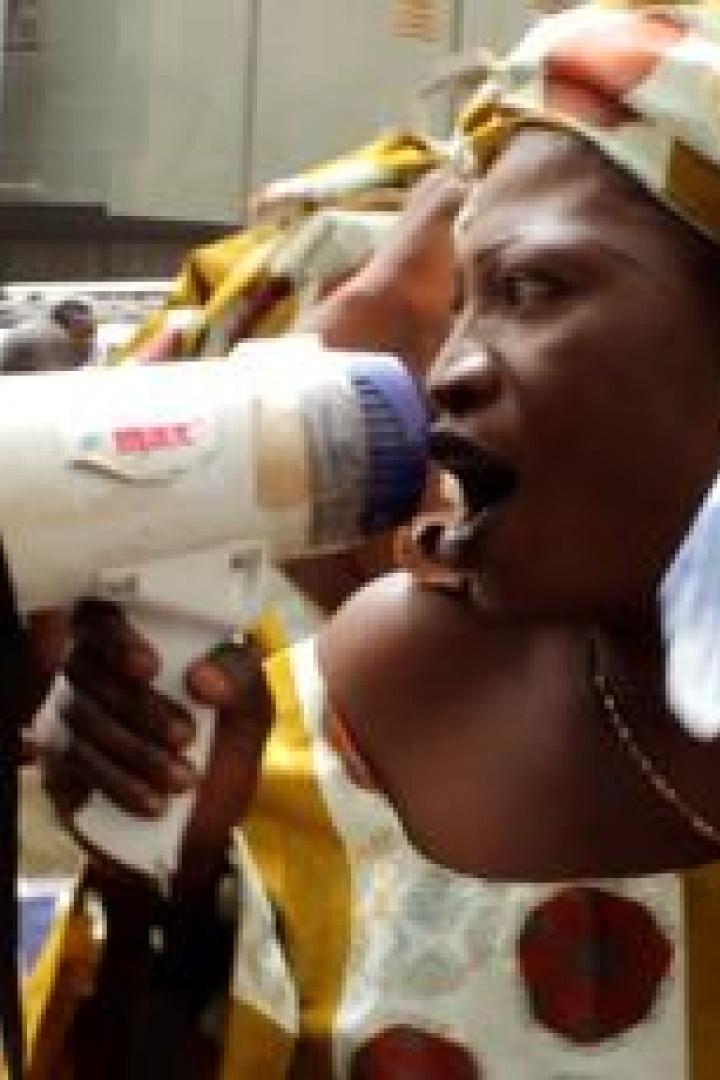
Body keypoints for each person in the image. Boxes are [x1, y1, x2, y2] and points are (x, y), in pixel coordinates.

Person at [26, 2, 720, 1076]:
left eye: (533, 288)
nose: (452, 370)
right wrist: (165, 890)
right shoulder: (374, 710)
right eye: (464, 302)